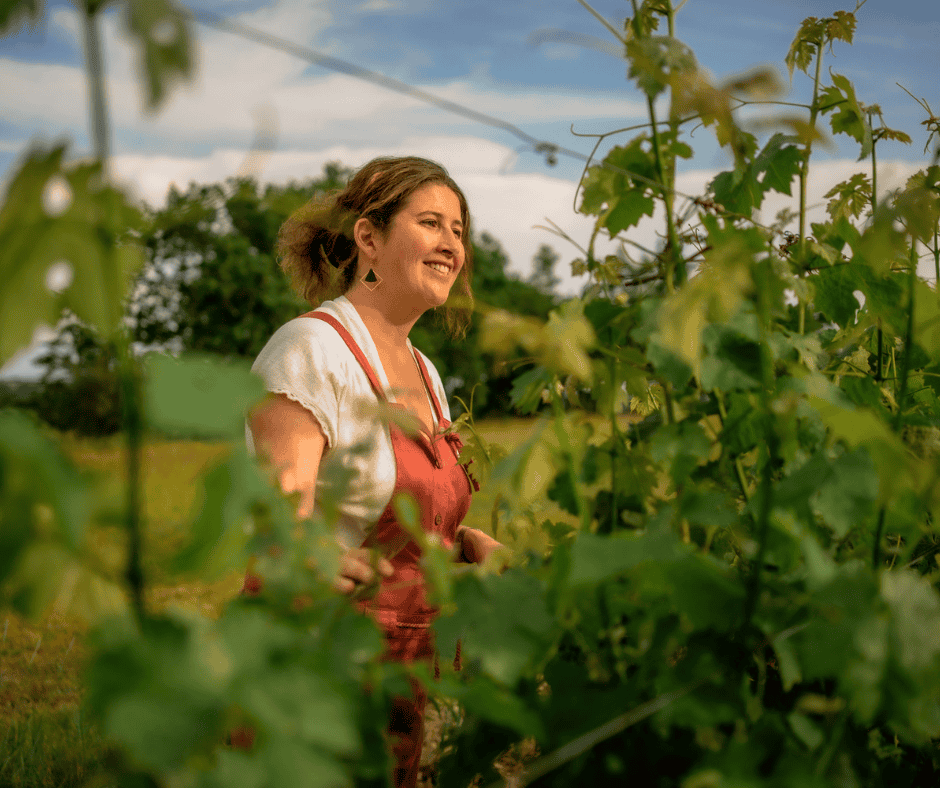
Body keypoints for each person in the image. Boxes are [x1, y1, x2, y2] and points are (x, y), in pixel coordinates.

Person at [244, 156, 503, 788]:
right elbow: (282, 518)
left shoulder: (426, 372)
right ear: (369, 238)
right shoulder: (312, 349)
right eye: (432, 223)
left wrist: (461, 543)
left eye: (460, 231)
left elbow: (398, 508)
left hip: (397, 678)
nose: (452, 244)